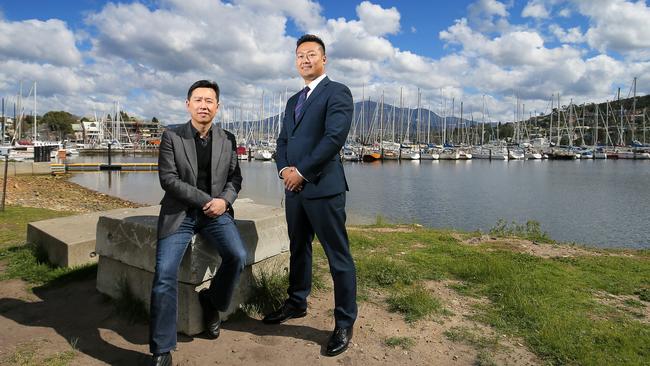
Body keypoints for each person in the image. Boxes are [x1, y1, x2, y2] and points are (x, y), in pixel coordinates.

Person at [263, 34, 357, 357]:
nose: (305, 60)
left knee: (338, 257)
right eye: (300, 55)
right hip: (294, 191)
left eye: (311, 54)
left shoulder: (338, 93)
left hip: (323, 189)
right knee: (298, 248)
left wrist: (300, 172)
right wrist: (283, 171)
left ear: (324, 59)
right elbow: (281, 143)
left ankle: (344, 321)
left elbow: (333, 139)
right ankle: (296, 301)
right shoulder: (293, 101)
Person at [149, 80, 246, 366]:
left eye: (209, 100)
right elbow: (168, 180)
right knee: (165, 272)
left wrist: (224, 202)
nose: (204, 105)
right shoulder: (172, 136)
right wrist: (208, 199)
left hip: (216, 213)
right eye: (198, 100)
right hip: (180, 213)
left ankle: (212, 302)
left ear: (217, 106)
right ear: (188, 104)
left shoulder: (228, 138)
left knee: (237, 256)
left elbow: (235, 179)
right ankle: (162, 349)